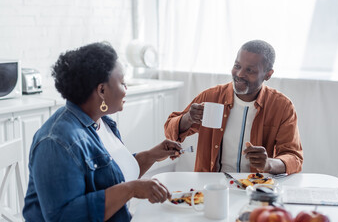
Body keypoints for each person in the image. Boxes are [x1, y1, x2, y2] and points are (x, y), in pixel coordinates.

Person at [23, 42, 182, 222]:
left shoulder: (102, 121)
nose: (126, 89)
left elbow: (112, 176)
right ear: (102, 90)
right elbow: (64, 217)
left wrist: (151, 155)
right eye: (122, 82)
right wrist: (131, 189)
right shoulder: (55, 142)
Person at [164, 40, 303, 175]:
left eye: (250, 70)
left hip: (255, 187)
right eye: (237, 66)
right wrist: (188, 118)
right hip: (212, 186)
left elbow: (294, 157)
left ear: (268, 74)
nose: (240, 74)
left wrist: (268, 164)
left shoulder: (282, 106)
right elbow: (170, 131)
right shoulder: (212, 97)